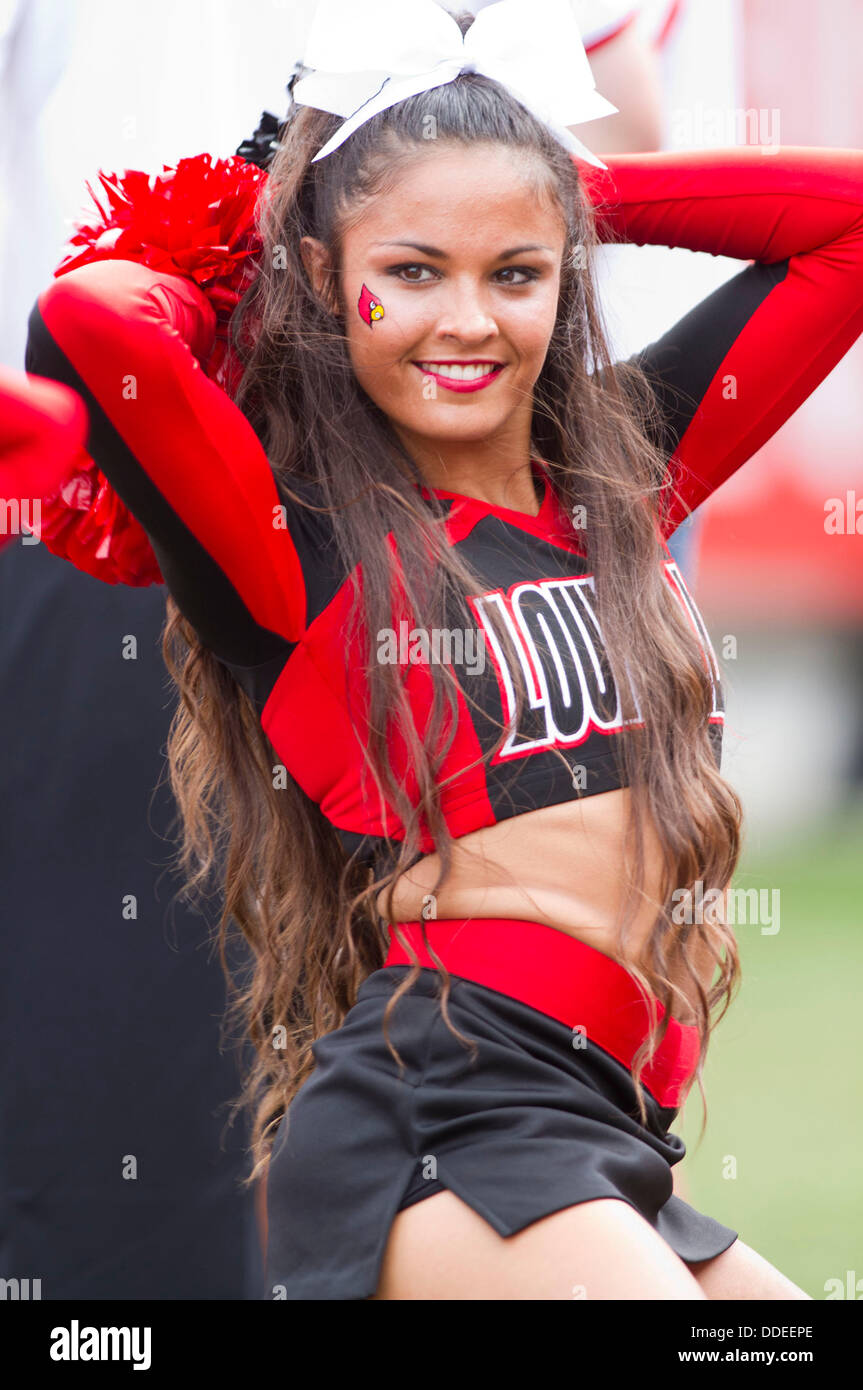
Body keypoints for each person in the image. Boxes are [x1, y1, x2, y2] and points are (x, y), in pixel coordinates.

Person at [20, 0, 863, 1300]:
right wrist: (264, 210)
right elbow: (93, 326)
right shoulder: (298, 555)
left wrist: (550, 188)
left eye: (514, 273)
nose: (465, 318)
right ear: (324, 273)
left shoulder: (618, 484)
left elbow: (844, 230)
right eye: (412, 270)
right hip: (451, 1118)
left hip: (612, 1130)